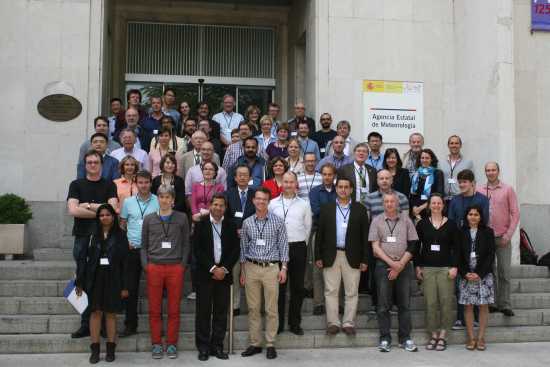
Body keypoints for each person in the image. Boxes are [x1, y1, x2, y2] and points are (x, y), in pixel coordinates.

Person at [67, 150, 118, 338]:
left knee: (103, 280)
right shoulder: (76, 184)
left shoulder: (109, 185)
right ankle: (85, 324)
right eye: (89, 162)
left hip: (104, 239)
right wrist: (100, 210)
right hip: (82, 238)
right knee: (81, 280)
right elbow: (73, 210)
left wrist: (86, 205)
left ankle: (103, 325)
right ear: (85, 165)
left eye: (96, 162)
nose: (93, 165)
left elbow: (113, 209)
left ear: (102, 165)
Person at [141, 184, 191, 359]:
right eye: (161, 197)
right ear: (158, 199)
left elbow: (186, 244)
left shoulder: (182, 218)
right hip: (154, 267)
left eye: (168, 197)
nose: (164, 200)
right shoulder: (148, 219)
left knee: (173, 309)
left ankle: (171, 344)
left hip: (175, 267)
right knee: (154, 309)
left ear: (173, 200)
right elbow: (143, 245)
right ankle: (156, 343)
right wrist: (146, 266)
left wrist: (182, 265)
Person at [315, 177, 369, 335]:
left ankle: (348, 323)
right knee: (331, 291)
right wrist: (318, 256)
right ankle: (333, 323)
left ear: (351, 190)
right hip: (331, 255)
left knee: (351, 292)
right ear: (336, 189)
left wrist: (365, 259)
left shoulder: (360, 209)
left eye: (346, 187)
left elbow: (365, 236)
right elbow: (320, 234)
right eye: (340, 187)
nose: (343, 190)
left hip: (353, 256)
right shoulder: (327, 208)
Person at [75, 204, 128, 364]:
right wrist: (80, 281)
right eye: (101, 215)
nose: (104, 217)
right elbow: (83, 260)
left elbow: (125, 263)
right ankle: (95, 349)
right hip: (95, 278)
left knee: (111, 314)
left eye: (107, 214)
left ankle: (111, 349)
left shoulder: (121, 235)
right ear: (98, 218)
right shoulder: (92, 235)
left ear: (113, 216)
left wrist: (125, 286)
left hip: (114, 279)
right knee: (95, 313)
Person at [240, 187, 289, 360]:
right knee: (253, 308)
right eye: (258, 199)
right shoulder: (247, 223)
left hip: (271, 269)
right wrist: (243, 271)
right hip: (252, 267)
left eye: (264, 199)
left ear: (268, 202)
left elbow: (283, 246)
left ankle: (270, 343)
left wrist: (283, 268)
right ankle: (255, 343)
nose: (261, 202)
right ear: (253, 200)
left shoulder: (278, 222)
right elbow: (243, 248)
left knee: (271, 308)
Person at [369, 192, 419, 353]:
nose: (389, 204)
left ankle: (405, 338)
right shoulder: (376, 221)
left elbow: (413, 244)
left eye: (392, 201)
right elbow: (375, 248)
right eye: (386, 201)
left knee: (404, 304)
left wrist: (400, 264)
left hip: (404, 266)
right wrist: (393, 264)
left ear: (397, 203)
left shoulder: (406, 220)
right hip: (383, 266)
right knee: (383, 305)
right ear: (383, 204)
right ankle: (385, 338)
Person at [194, 194, 240, 361]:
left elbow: (235, 249)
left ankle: (217, 346)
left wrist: (224, 269)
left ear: (225, 208)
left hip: (224, 276)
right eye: (215, 204)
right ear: (210, 205)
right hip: (205, 274)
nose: (218, 208)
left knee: (221, 312)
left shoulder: (230, 225)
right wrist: (213, 268)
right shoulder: (201, 225)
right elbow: (197, 250)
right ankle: (203, 347)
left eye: (221, 205)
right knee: (203, 312)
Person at [269, 172, 312, 335]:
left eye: (291, 182)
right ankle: (278, 324)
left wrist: (301, 244)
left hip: (298, 248)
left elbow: (308, 228)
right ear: (282, 184)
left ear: (296, 184)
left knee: (297, 288)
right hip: (277, 249)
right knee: (278, 288)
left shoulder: (304, 204)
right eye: (285, 182)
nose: (288, 185)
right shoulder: (272, 204)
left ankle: (295, 323)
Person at [415, 194, 459, 351]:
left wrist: (455, 266)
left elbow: (457, 248)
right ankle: (433, 334)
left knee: (446, 302)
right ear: (429, 206)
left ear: (443, 205)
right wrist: (418, 266)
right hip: (428, 268)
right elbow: (416, 247)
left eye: (439, 203)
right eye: (433, 203)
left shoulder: (452, 225)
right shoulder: (421, 224)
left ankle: (443, 335)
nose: (436, 205)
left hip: (445, 269)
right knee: (430, 303)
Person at [119, 170, 160, 337]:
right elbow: (122, 223)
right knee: (131, 289)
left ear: (151, 183)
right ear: (136, 183)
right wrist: (125, 240)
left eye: (146, 182)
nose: (143, 185)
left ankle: (156, 326)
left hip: (152, 251)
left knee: (156, 289)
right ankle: (130, 325)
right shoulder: (128, 202)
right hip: (132, 250)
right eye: (140, 182)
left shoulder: (159, 201)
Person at [448, 169, 489, 330]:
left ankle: (477, 317)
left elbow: (484, 221)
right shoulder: (455, 201)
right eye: (460, 182)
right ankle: (460, 317)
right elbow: (451, 223)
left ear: (472, 183)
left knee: (477, 280)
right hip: (459, 246)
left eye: (465, 182)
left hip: (477, 245)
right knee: (460, 282)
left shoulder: (483, 200)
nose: (462, 185)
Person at [477, 162, 519, 317]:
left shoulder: (507, 189)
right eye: (488, 170)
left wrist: (508, 235)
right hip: (486, 238)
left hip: (502, 237)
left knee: (504, 272)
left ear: (498, 171)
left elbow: (515, 213)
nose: (491, 172)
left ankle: (505, 304)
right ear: (485, 172)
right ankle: (493, 303)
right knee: (490, 271)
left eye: (493, 170)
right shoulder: (480, 190)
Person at [457, 205, 495, 351]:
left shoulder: (488, 232)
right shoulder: (461, 232)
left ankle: (481, 338)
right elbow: (458, 255)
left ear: (481, 217)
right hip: (466, 274)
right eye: (470, 214)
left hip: (483, 274)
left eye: (476, 214)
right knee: (468, 306)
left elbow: (490, 255)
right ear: (466, 216)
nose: (473, 217)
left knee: (483, 305)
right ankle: (471, 338)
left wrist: (479, 273)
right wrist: (465, 272)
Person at [225, 164, 257, 315]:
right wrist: (235, 230)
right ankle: (235, 305)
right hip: (233, 241)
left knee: (251, 275)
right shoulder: (228, 194)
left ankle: (253, 306)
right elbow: (225, 217)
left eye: (246, 175)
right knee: (234, 273)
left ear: (250, 178)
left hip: (252, 241)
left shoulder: (256, 195)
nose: (243, 177)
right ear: (235, 178)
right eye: (240, 175)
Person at [308, 163, 337, 315]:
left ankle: (336, 301)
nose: (327, 177)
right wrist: (333, 212)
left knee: (336, 267)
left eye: (330, 174)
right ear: (321, 176)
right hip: (318, 232)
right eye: (324, 174)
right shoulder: (314, 191)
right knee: (317, 268)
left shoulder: (339, 190)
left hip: (337, 234)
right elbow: (316, 210)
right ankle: (318, 302)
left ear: (334, 176)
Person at [410, 149, 444, 220]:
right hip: (416, 211)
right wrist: (414, 208)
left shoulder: (437, 173)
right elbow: (412, 195)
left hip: (431, 209)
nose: (424, 160)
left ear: (431, 159)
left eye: (427, 158)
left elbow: (439, 194)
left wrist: (421, 208)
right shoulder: (415, 175)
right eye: (422, 158)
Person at [439, 135, 474, 204]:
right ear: (448, 145)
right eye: (451, 143)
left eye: (456, 143)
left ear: (460, 145)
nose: (454, 145)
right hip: (444, 200)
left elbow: (472, 182)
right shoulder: (440, 163)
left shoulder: (468, 162)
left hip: (462, 199)